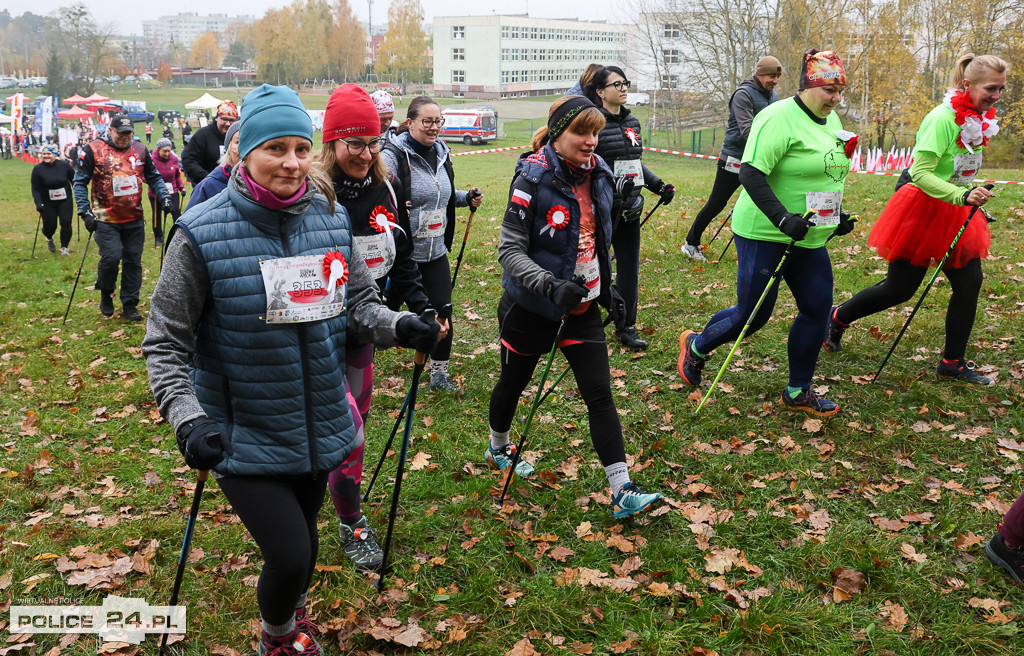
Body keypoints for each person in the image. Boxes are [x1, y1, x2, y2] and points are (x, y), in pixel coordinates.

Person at [142, 84, 441, 656]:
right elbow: (165, 344)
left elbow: (355, 305)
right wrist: (188, 421)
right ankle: (276, 638)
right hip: (241, 431)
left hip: (319, 422)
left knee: (302, 540)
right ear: (244, 152)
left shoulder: (328, 219)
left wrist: (399, 325)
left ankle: (292, 620)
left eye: (300, 148)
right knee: (292, 554)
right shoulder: (199, 234)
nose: (291, 162)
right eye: (275, 148)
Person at [488, 95, 662, 518]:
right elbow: (509, 251)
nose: (591, 141)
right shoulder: (531, 179)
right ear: (558, 132)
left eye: (596, 133)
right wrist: (548, 285)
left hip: (582, 309)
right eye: (581, 132)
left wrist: (608, 290)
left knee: (600, 395)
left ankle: (622, 490)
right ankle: (498, 446)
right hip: (532, 308)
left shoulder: (600, 173)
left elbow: (599, 238)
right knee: (514, 385)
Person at [676, 50, 856, 417]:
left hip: (808, 233)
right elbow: (750, 173)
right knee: (752, 315)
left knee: (818, 307)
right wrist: (781, 218)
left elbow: (824, 173)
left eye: (840, 91)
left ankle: (798, 390)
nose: (836, 99)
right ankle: (696, 345)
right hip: (764, 230)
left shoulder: (829, 117)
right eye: (829, 90)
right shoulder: (777, 118)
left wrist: (834, 217)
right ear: (808, 86)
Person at [825, 54, 1007, 385]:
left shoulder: (977, 119)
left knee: (969, 283)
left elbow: (955, 167)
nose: (996, 96)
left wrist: (970, 194)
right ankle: (837, 317)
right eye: (991, 88)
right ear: (967, 84)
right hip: (922, 205)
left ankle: (952, 363)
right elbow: (921, 173)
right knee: (900, 289)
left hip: (955, 205)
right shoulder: (942, 119)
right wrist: (962, 195)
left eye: (1001, 89)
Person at [315, 84, 434, 571]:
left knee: (352, 428)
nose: (366, 154)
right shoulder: (314, 192)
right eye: (355, 144)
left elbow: (399, 253)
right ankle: (331, 512)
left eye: (375, 141)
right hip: (317, 332)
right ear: (332, 143)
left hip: (365, 325)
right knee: (344, 429)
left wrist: (421, 306)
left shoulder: (384, 183)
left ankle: (346, 514)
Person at [382, 95, 483, 392]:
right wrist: (397, 201)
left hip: (435, 250)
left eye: (438, 121)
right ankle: (362, 365)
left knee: (443, 313)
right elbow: (379, 190)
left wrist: (466, 198)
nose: (434, 127)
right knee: (383, 313)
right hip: (401, 254)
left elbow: (443, 195)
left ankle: (438, 374)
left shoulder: (441, 151)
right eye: (427, 121)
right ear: (410, 123)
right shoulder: (393, 154)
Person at [585, 66, 674, 351]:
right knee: (595, 266)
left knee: (629, 268)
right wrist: (612, 187)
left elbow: (634, 164)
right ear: (601, 92)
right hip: (602, 209)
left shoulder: (632, 122)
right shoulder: (591, 124)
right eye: (617, 84)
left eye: (626, 83)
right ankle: (580, 318)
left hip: (631, 208)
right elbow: (586, 167)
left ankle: (626, 325)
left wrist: (657, 185)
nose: (624, 88)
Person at [73, 114, 173, 321]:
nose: (125, 137)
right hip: (105, 218)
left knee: (133, 261)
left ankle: (129, 303)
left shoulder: (139, 149)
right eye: (121, 133)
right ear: (111, 130)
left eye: (129, 133)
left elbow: (153, 177)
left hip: (134, 217)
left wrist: (164, 197)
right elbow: (80, 182)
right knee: (111, 257)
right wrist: (84, 211)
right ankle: (106, 292)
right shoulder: (93, 149)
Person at [683, 56, 782, 261]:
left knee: (762, 201)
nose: (775, 80)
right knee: (717, 203)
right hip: (734, 158)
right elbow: (748, 130)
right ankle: (691, 243)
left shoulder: (774, 97)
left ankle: (763, 244)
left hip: (759, 157)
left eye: (778, 76)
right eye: (771, 75)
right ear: (759, 74)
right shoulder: (743, 94)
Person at [186, 120, 241, 210]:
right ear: (228, 147)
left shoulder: (264, 183)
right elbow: (187, 222)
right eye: (238, 142)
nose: (244, 147)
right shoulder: (208, 186)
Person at [31, 144, 75, 255]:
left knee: (66, 222)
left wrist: (78, 191)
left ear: (54, 155)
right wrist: (38, 203)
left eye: (48, 154)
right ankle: (49, 238)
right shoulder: (38, 169)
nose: (46, 156)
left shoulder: (64, 165)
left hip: (65, 200)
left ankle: (64, 248)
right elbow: (35, 188)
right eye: (44, 154)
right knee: (50, 226)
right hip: (48, 202)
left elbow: (74, 180)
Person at [181, 101, 238, 186]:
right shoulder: (203, 135)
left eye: (231, 120)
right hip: (208, 188)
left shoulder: (239, 137)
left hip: (235, 188)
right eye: (224, 119)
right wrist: (208, 179)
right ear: (216, 118)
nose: (228, 124)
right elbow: (189, 160)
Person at [148, 137, 185, 248]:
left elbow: (177, 175)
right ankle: (158, 236)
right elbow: (146, 176)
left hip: (172, 190)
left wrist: (181, 187)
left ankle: (178, 234)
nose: (167, 153)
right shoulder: (152, 160)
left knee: (176, 213)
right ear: (159, 150)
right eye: (165, 151)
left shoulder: (174, 158)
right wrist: (154, 185)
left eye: (169, 150)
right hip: (156, 193)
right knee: (157, 215)